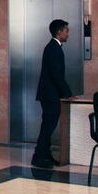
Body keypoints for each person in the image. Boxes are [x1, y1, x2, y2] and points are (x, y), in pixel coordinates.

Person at [32, 19, 72, 169]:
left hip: (49, 94)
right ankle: (39, 157)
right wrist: (67, 93)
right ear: (59, 32)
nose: (68, 34)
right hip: (50, 95)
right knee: (48, 127)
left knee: (48, 126)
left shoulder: (53, 47)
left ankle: (45, 155)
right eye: (66, 31)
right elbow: (57, 75)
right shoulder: (54, 48)